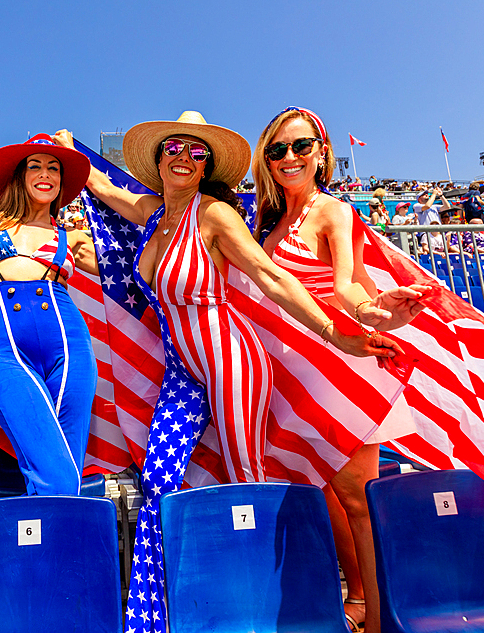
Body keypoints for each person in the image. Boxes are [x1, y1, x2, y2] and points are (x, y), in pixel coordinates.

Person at [56, 111, 415, 633]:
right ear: (158, 161)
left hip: (231, 359)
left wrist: (337, 334)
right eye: (172, 148)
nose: (183, 156)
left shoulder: (215, 215)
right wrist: (69, 150)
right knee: (158, 478)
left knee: (246, 476)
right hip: (186, 371)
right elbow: (102, 185)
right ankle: (156, 618)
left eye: (196, 151)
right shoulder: (153, 213)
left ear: (206, 167)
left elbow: (272, 277)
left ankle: (268, 611)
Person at [253, 107, 430, 633]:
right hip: (293, 373)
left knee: (358, 500)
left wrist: (376, 312)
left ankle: (379, 620)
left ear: (322, 153)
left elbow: (347, 287)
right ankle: (356, 599)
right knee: (327, 492)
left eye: (301, 146)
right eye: (277, 150)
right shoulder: (270, 220)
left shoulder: (332, 211)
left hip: (337, 367)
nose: (290, 158)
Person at [0, 131, 99, 497]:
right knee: (54, 473)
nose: (46, 174)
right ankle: (63, 548)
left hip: (70, 352)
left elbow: (134, 268)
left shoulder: (72, 236)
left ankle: (49, 550)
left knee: (63, 467)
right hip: (7, 354)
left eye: (54, 167)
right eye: (36, 166)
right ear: (20, 177)